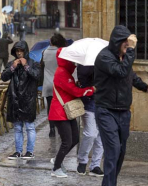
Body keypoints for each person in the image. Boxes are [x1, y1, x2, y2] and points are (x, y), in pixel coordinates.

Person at [94, 25, 148, 186]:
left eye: (129, 45)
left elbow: (130, 76)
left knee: (120, 153)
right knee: (112, 150)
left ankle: (112, 183)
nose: (128, 47)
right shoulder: (105, 57)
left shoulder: (123, 58)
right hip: (106, 110)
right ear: (116, 42)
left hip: (123, 112)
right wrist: (131, 51)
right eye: (125, 44)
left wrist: (147, 88)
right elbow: (120, 72)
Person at [48, 48, 95, 178]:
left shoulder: (65, 72)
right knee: (67, 141)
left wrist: (76, 84)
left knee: (74, 139)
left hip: (67, 112)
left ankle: (57, 159)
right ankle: (56, 167)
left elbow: (68, 88)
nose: (74, 64)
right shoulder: (61, 72)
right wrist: (90, 89)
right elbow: (73, 91)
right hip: (60, 113)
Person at [1, 41, 40, 160]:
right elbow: (3, 77)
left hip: (28, 100)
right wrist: (12, 67)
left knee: (29, 127)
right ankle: (18, 151)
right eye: (17, 51)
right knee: (17, 127)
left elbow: (37, 76)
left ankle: (30, 151)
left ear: (25, 51)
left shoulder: (33, 63)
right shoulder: (11, 64)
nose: (19, 53)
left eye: (21, 51)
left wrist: (26, 66)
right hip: (15, 99)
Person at [76, 65, 104, 177]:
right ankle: (82, 161)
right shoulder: (85, 62)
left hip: (104, 103)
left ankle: (95, 165)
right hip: (89, 102)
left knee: (101, 136)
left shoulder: (105, 60)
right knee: (91, 133)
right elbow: (83, 76)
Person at [41, 33, 68, 138]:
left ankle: (51, 128)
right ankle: (60, 128)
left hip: (48, 83)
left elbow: (42, 65)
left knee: (50, 107)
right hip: (59, 84)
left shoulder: (44, 52)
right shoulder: (61, 53)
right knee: (61, 106)